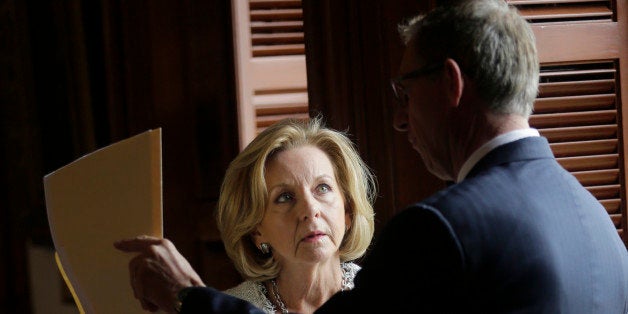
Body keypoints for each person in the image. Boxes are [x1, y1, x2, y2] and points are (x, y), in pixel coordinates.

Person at [119, 0, 628, 313]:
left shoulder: (440, 229)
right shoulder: (596, 221)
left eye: (405, 92)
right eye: (282, 198)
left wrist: (188, 296)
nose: (400, 119)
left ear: (449, 85)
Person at [114, 116, 377, 313]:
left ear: (348, 211)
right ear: (255, 229)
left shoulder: (386, 294)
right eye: (284, 197)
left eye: (323, 188)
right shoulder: (233, 305)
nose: (310, 210)